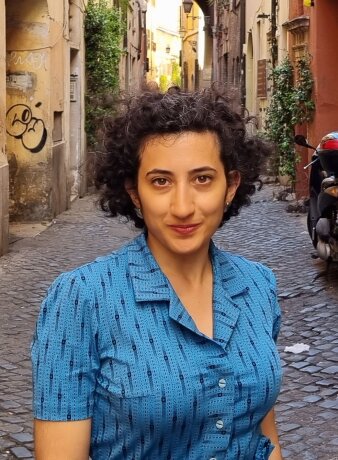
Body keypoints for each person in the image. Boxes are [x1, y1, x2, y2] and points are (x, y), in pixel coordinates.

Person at [31, 87, 283, 460]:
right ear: (135, 193)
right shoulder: (81, 299)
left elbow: (263, 429)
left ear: (230, 187)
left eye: (202, 179)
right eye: (161, 181)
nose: (183, 207)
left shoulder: (258, 285)